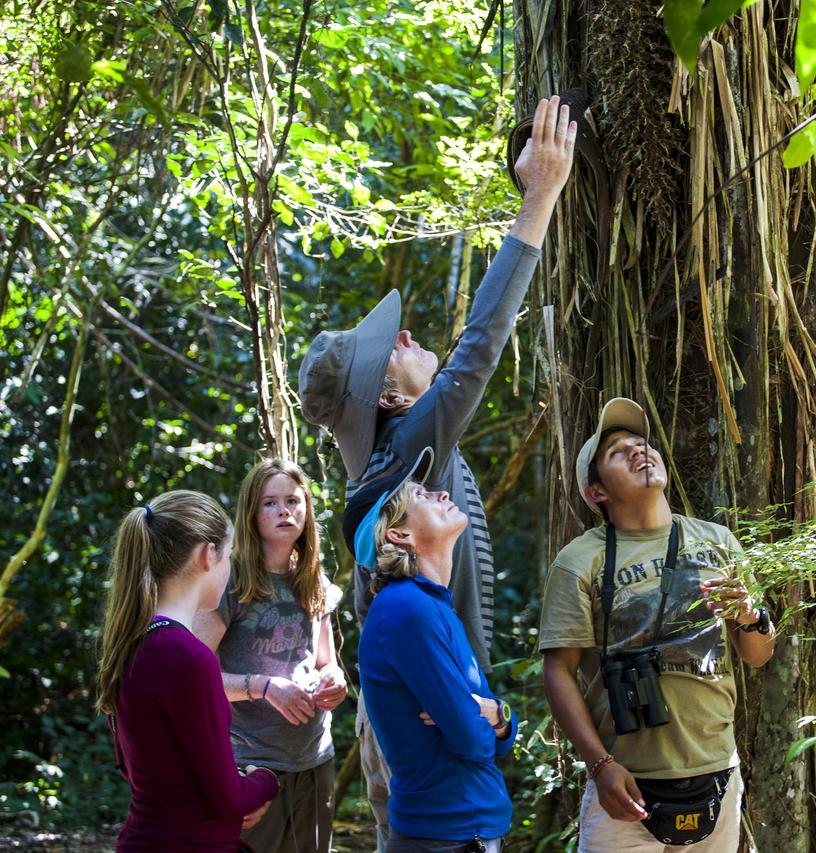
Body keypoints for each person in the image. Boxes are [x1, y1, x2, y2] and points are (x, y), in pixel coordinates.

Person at [297, 94, 576, 847]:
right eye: (395, 344)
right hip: (446, 752)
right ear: (389, 397)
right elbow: (478, 349)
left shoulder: (388, 469)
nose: (412, 335)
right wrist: (540, 195)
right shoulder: (404, 455)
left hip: (432, 734)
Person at [539, 398, 776, 852]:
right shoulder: (580, 561)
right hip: (624, 783)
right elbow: (558, 671)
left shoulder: (719, 541)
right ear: (596, 493)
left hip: (717, 770)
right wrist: (600, 765)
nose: (637, 450)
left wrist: (751, 617)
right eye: (617, 452)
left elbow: (758, 654)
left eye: (641, 442)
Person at [350, 446, 519, 852]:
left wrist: (499, 714)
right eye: (422, 496)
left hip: (464, 829)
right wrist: (484, 719)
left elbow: (496, 728)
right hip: (446, 835)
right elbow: (472, 740)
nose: (441, 493)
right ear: (400, 534)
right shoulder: (407, 609)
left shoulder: (432, 604)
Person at [96, 490, 279, 851]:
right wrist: (266, 779)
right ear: (207, 555)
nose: (230, 569)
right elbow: (230, 800)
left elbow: (142, 771)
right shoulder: (188, 657)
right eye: (228, 556)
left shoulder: (132, 640)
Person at [193, 459, 347, 853]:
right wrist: (262, 687)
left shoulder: (314, 579)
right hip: (248, 764)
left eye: (293, 501)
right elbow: (192, 678)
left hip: (313, 760)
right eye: (270, 503)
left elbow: (325, 661)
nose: (284, 511)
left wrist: (335, 681)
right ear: (250, 513)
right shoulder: (229, 581)